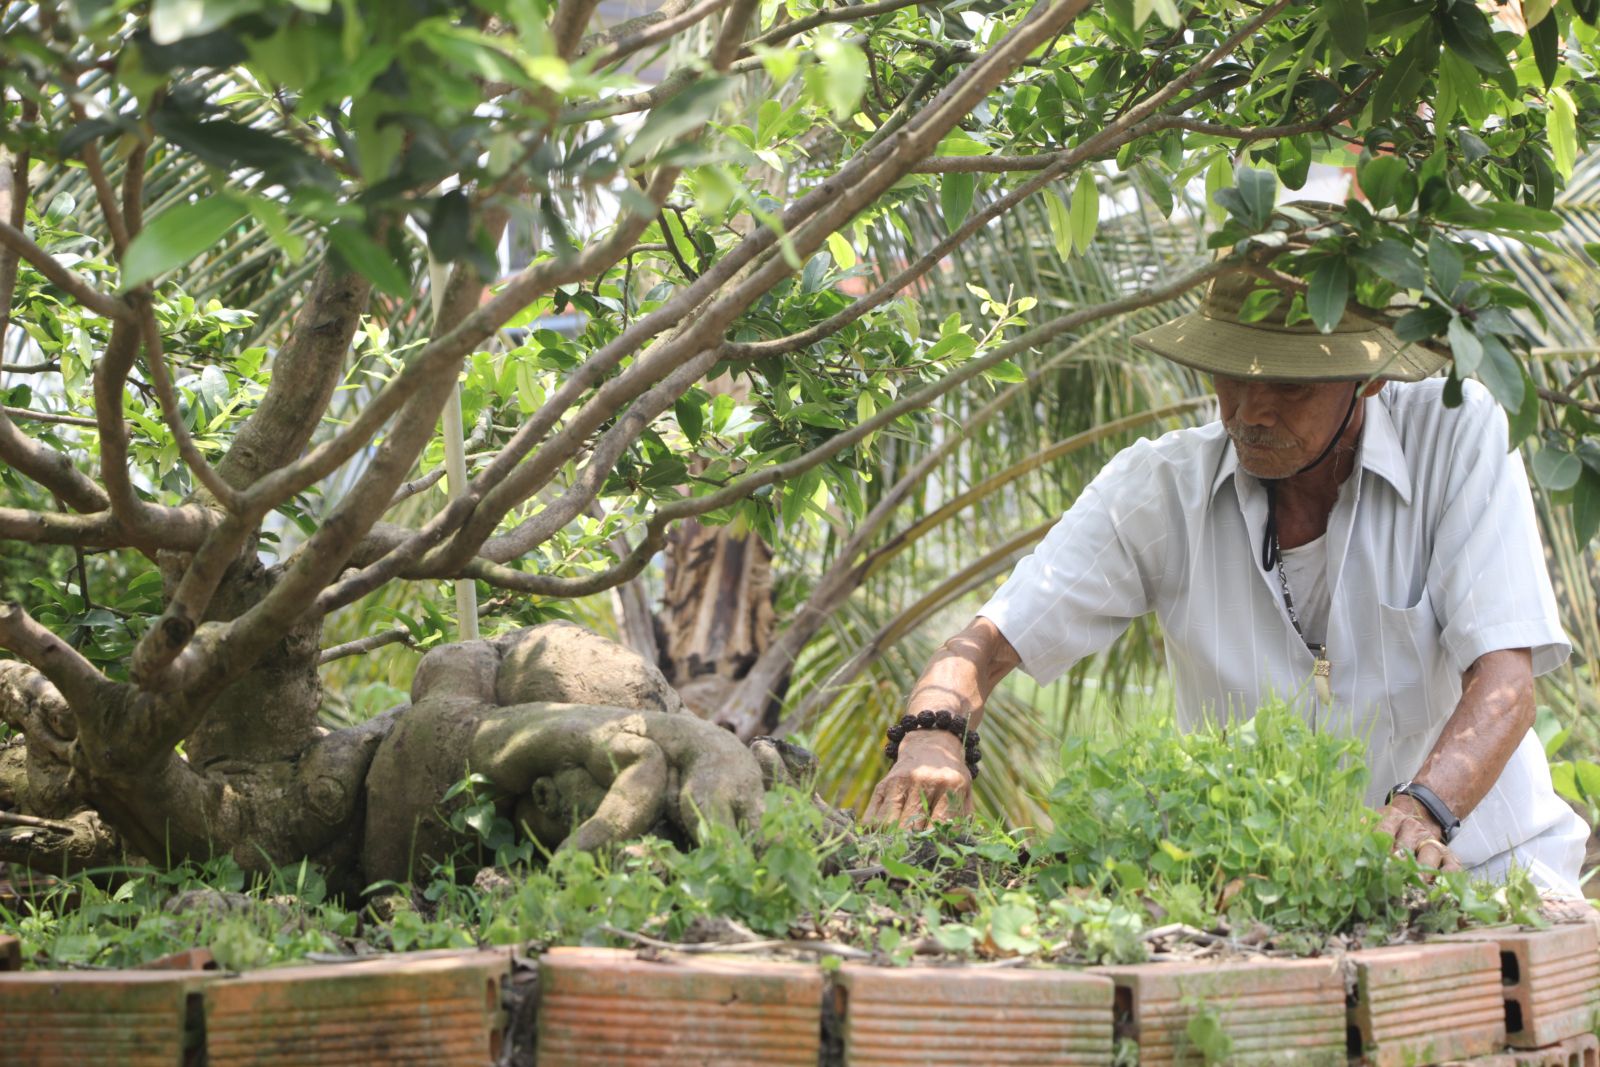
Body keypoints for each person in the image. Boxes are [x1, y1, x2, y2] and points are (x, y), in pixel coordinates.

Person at [864, 229, 1589, 897]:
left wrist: (1421, 812)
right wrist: (934, 729)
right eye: (1231, 378)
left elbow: (1504, 685)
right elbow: (985, 643)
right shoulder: (1160, 487)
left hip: (1494, 878)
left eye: (1290, 384)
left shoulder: (1456, 435)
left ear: (1369, 380)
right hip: (1269, 897)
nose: (1250, 411)